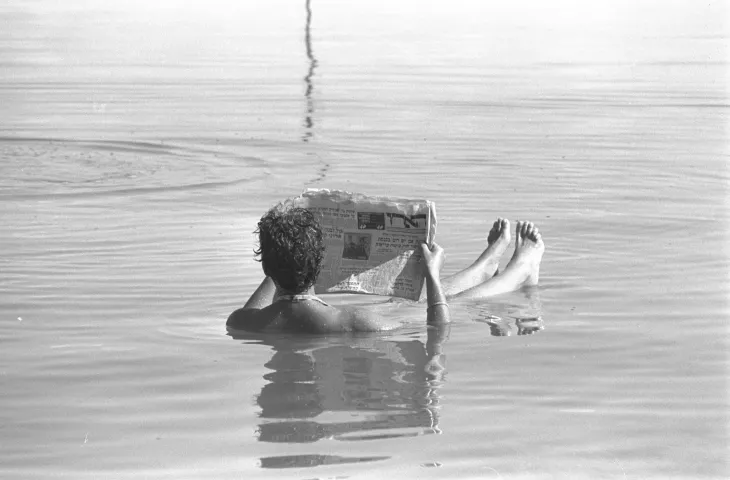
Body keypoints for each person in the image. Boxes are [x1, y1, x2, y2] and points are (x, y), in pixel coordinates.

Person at [226, 204, 544, 333]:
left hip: (344, 315)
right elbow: (439, 330)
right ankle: (521, 270)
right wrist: (431, 276)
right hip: (365, 322)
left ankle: (485, 266)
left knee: (399, 304)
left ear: (267, 264)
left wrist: (284, 248)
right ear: (321, 263)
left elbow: (261, 297)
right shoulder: (358, 323)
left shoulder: (241, 322)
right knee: (440, 304)